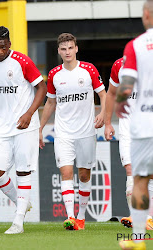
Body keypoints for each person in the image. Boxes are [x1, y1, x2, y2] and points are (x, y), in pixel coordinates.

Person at [39, 33, 106, 231]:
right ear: (59, 51)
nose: (67, 52)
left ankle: (81, 217)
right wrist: (40, 128)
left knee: (84, 175)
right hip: (63, 132)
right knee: (66, 172)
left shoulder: (89, 69)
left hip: (86, 131)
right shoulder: (54, 75)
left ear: (76, 48)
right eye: (63, 49)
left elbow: (103, 94)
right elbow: (50, 102)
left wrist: (103, 114)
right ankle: (69, 217)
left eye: (70, 48)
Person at [0, 26, 47, 234]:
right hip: (1, 126)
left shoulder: (22, 61)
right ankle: (21, 202)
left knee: (23, 170)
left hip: (24, 126)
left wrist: (29, 114)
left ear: (9, 44)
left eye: (3, 47)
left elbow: (42, 88)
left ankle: (18, 221)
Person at [116, 1, 153, 249]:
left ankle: (139, 239)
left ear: (147, 14)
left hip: (145, 124)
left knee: (140, 180)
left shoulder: (136, 45)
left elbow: (127, 82)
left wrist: (120, 101)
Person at [104, 57, 153, 230]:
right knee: (131, 170)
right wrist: (108, 122)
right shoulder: (119, 65)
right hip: (127, 129)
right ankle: (137, 216)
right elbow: (110, 93)